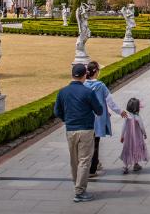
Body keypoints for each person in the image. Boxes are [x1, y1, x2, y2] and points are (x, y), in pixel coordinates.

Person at [54, 63, 103, 202]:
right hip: (85, 129)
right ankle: (80, 191)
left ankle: (77, 185)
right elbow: (99, 110)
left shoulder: (62, 92)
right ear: (84, 76)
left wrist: (67, 120)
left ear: (71, 75)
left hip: (71, 129)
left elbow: (57, 111)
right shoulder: (88, 92)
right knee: (84, 160)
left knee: (74, 160)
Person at [83, 61, 127, 177]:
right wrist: (120, 111)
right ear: (96, 72)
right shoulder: (100, 86)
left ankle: (95, 163)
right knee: (95, 142)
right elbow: (110, 102)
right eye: (98, 70)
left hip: (85, 117)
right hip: (98, 117)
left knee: (88, 142)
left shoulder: (83, 85)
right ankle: (92, 169)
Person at [119, 97, 149, 174]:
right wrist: (144, 133)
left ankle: (126, 166)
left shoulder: (127, 117)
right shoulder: (137, 117)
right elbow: (141, 126)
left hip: (128, 138)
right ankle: (135, 164)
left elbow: (124, 127)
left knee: (128, 150)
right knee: (136, 150)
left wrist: (122, 136)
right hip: (137, 137)